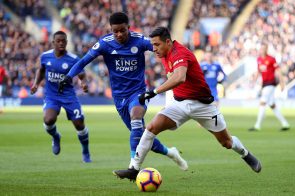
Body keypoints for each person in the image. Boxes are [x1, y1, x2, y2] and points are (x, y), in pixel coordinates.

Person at [114, 27, 262, 180]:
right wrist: (168, 106)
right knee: (151, 128)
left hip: (203, 106)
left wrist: (154, 91)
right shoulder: (164, 55)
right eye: (153, 45)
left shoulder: (179, 53)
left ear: (167, 42)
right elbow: (172, 81)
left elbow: (179, 78)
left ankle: (246, 154)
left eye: (157, 44)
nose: (154, 49)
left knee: (226, 142)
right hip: (180, 104)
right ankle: (134, 168)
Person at [58, 12, 188, 172]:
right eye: (115, 31)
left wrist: (172, 66)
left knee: (136, 117)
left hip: (138, 93)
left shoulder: (140, 41)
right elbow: (83, 61)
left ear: (128, 27)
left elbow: (163, 48)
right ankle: (170, 152)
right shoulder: (105, 44)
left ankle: (133, 167)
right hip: (119, 98)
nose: (119, 34)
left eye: (122, 30)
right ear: (111, 30)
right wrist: (68, 76)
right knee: (140, 135)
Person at [30, 31, 92, 163]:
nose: (61, 43)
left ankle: (85, 151)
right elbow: (41, 70)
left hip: (69, 96)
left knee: (79, 124)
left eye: (63, 41)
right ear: (53, 42)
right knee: (48, 120)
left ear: (67, 42)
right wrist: (35, 84)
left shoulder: (73, 59)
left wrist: (84, 84)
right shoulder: (45, 57)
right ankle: (56, 136)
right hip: (52, 96)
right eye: (58, 41)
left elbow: (81, 74)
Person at [248, 44, 290, 131]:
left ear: (267, 49)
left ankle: (257, 125)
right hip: (264, 84)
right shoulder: (259, 59)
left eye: (264, 48)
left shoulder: (271, 59)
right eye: (261, 48)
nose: (262, 50)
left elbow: (278, 71)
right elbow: (258, 71)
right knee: (272, 105)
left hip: (270, 83)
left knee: (262, 102)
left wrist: (282, 83)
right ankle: (285, 123)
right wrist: (254, 81)